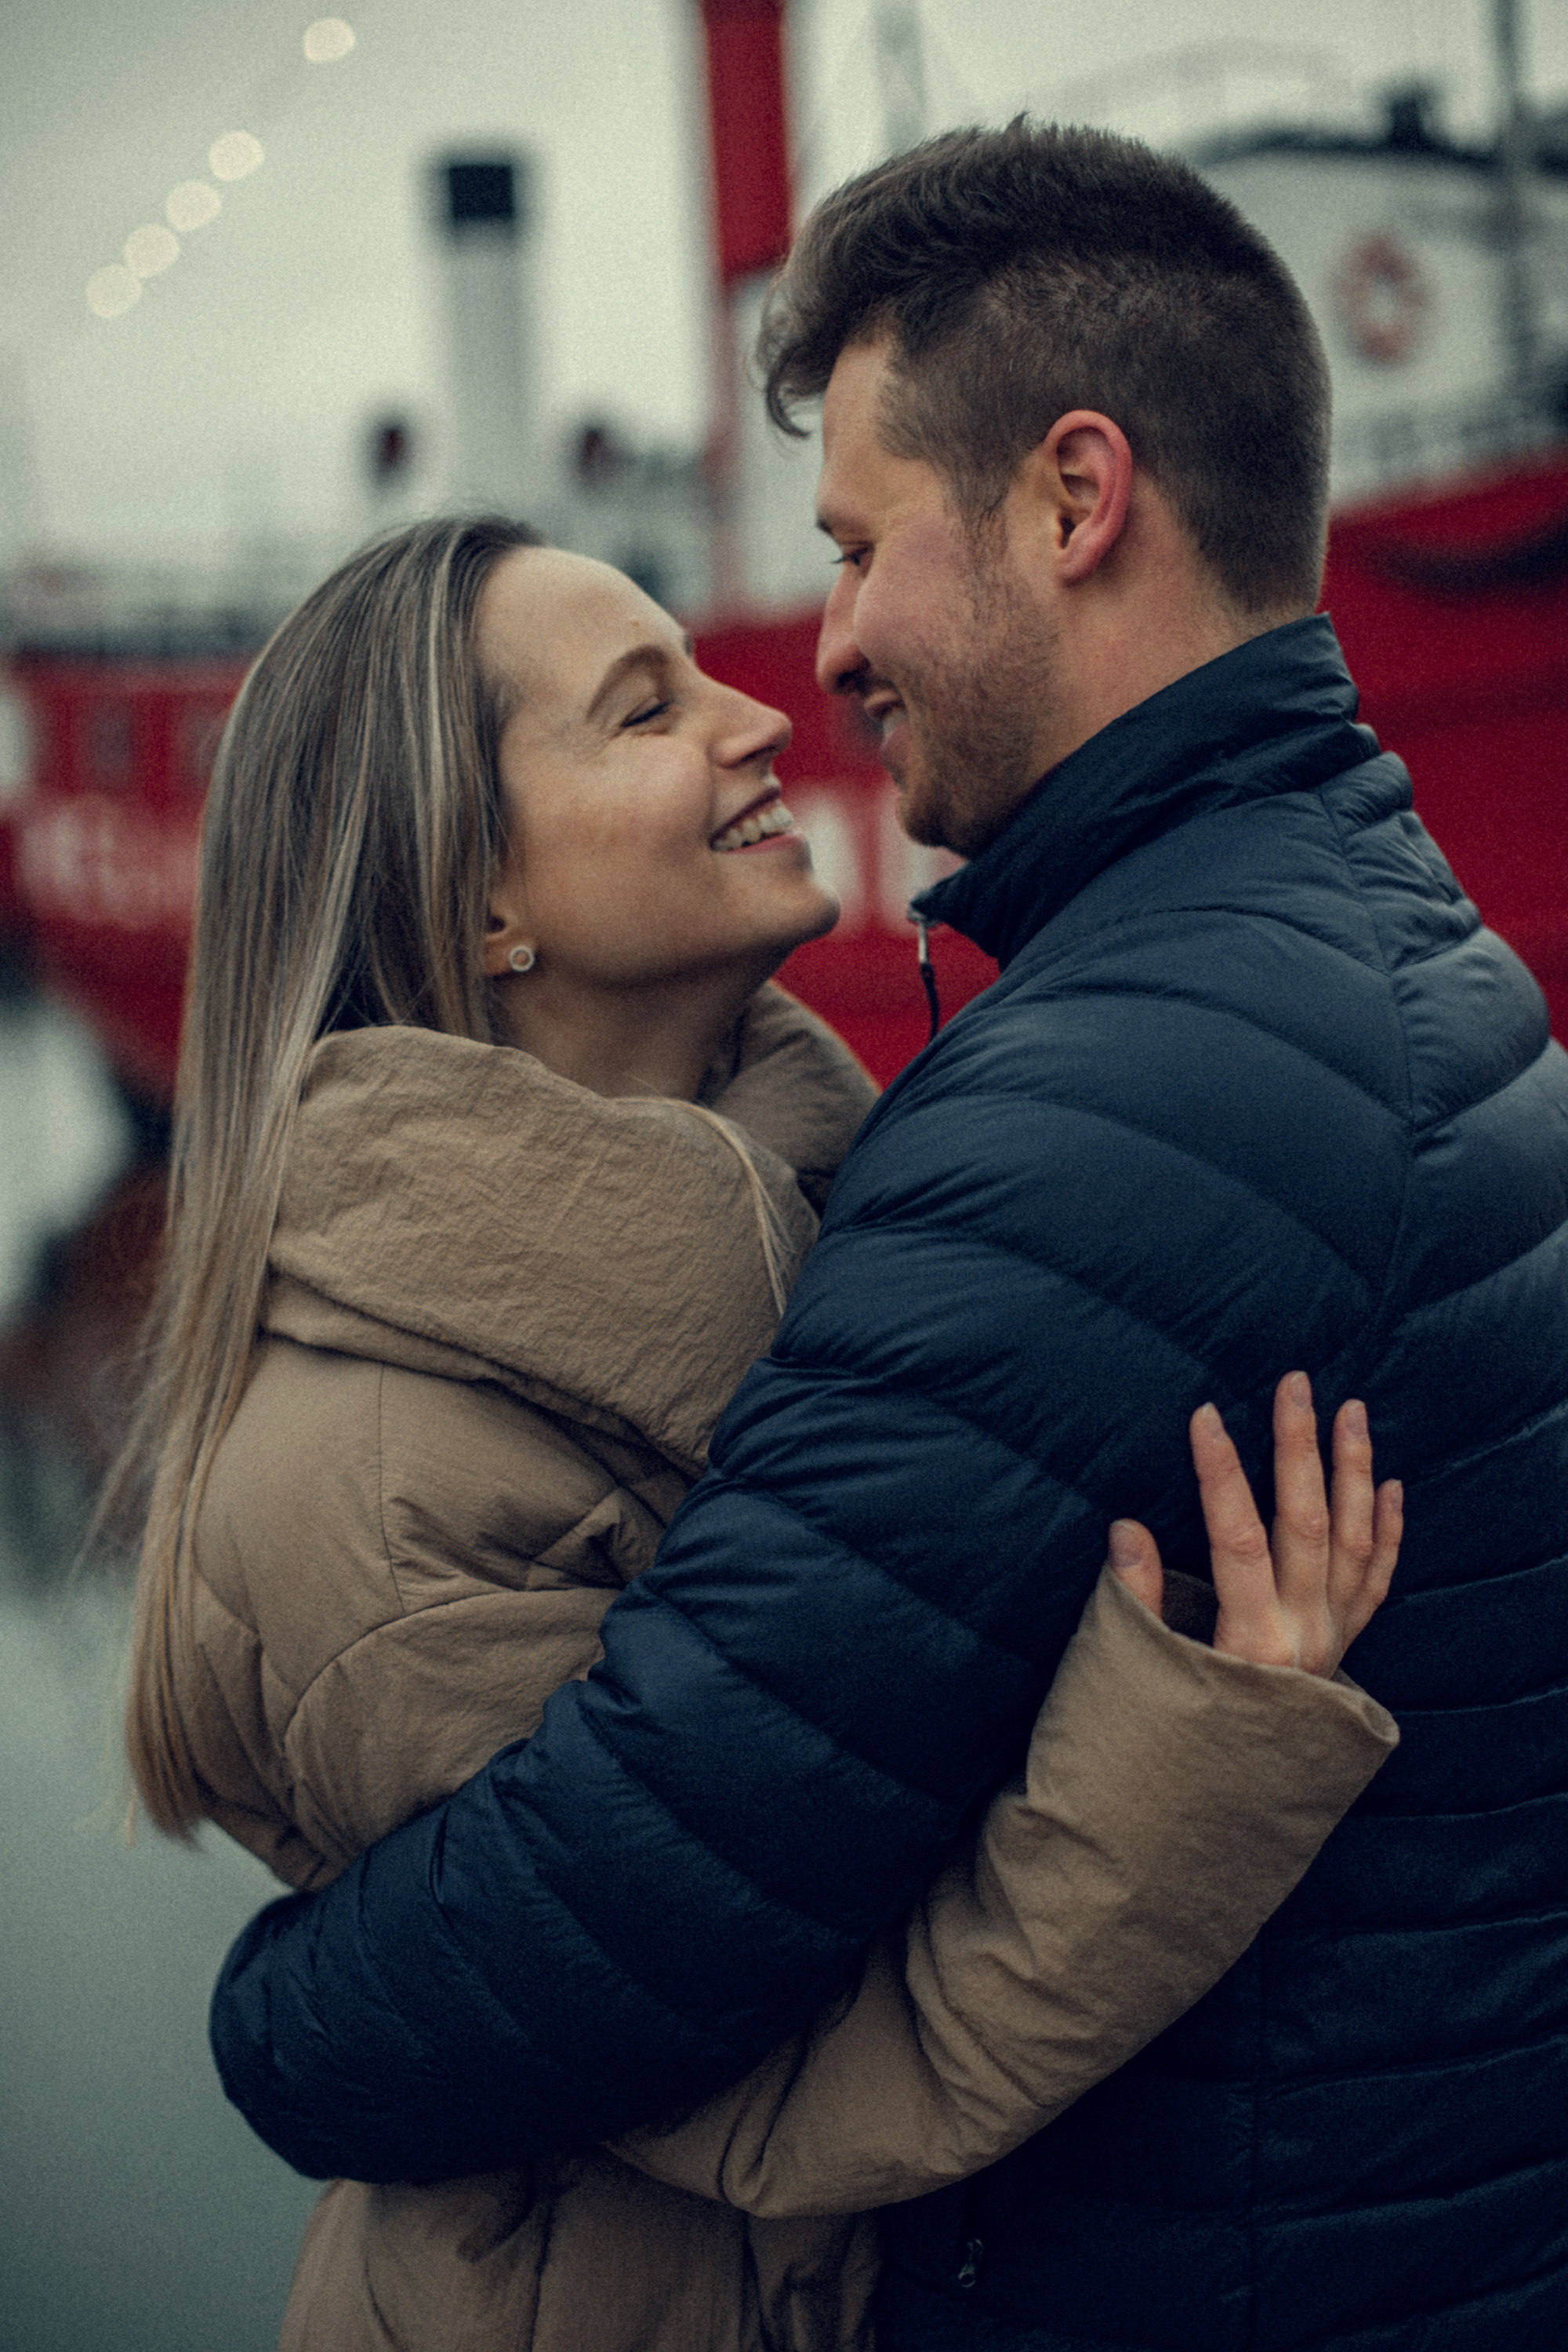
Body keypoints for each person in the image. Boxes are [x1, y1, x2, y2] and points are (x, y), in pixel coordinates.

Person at [209, 124, 1568, 2351]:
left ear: (1073, 497)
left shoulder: (1097, 1108)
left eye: (852, 548)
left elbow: (615, 1911)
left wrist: (264, 2020)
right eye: (653, 699)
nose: (808, 657)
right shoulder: (1394, 940)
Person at [117, 514, 1398, 2352]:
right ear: (482, 900)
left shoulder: (846, 1213)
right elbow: (791, 2085)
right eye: (645, 713)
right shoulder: (372, 1488)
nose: (757, 715)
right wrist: (1205, 1740)